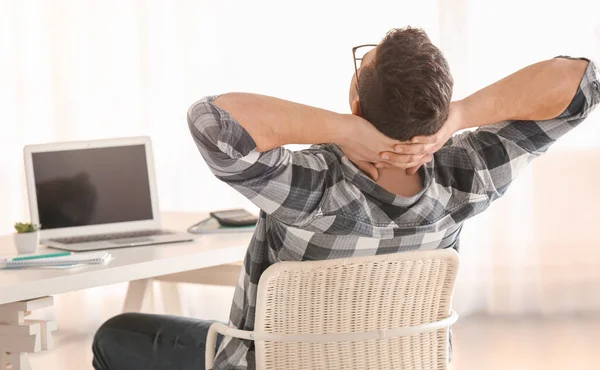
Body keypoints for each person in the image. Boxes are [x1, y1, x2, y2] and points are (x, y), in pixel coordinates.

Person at [92, 27, 600, 370]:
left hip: (270, 362)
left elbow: (212, 121)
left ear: (357, 99)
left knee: (115, 334)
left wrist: (343, 130)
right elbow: (582, 83)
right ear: (437, 108)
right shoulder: (467, 176)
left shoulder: (313, 188)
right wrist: (462, 116)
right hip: (396, 361)